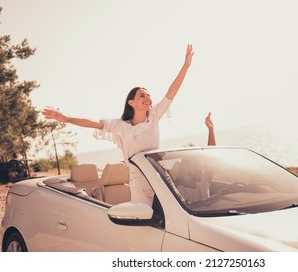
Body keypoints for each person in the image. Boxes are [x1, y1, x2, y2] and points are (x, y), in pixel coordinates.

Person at [42, 44, 194, 206]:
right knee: (144, 216)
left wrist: (185, 66)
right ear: (131, 102)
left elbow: (171, 93)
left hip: (160, 176)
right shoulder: (121, 126)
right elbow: (92, 123)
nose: (148, 98)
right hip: (139, 180)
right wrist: (66, 118)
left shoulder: (154, 115)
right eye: (142, 95)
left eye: (149, 96)